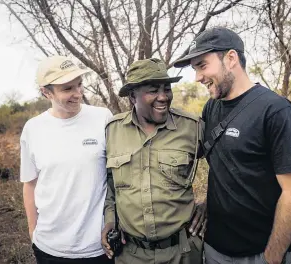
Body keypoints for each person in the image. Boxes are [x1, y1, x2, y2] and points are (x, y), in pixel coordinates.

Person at [173, 27, 291, 264]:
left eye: (202, 66)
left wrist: (273, 256)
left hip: (261, 251)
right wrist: (209, 204)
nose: (197, 78)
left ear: (231, 58)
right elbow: (227, 168)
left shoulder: (277, 112)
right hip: (216, 248)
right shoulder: (211, 108)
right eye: (195, 69)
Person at [101, 58, 206, 264]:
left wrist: (210, 201)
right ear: (132, 96)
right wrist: (110, 219)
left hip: (182, 252)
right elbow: (111, 185)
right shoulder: (112, 131)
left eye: (166, 89)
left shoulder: (192, 128)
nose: (163, 97)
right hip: (130, 254)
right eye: (153, 90)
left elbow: (227, 163)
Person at [20, 55, 113, 264]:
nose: (77, 94)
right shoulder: (33, 129)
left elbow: (117, 176)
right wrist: (33, 231)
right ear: (46, 92)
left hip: (98, 247)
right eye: (67, 89)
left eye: (79, 85)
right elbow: (30, 183)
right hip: (50, 248)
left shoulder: (103, 117)